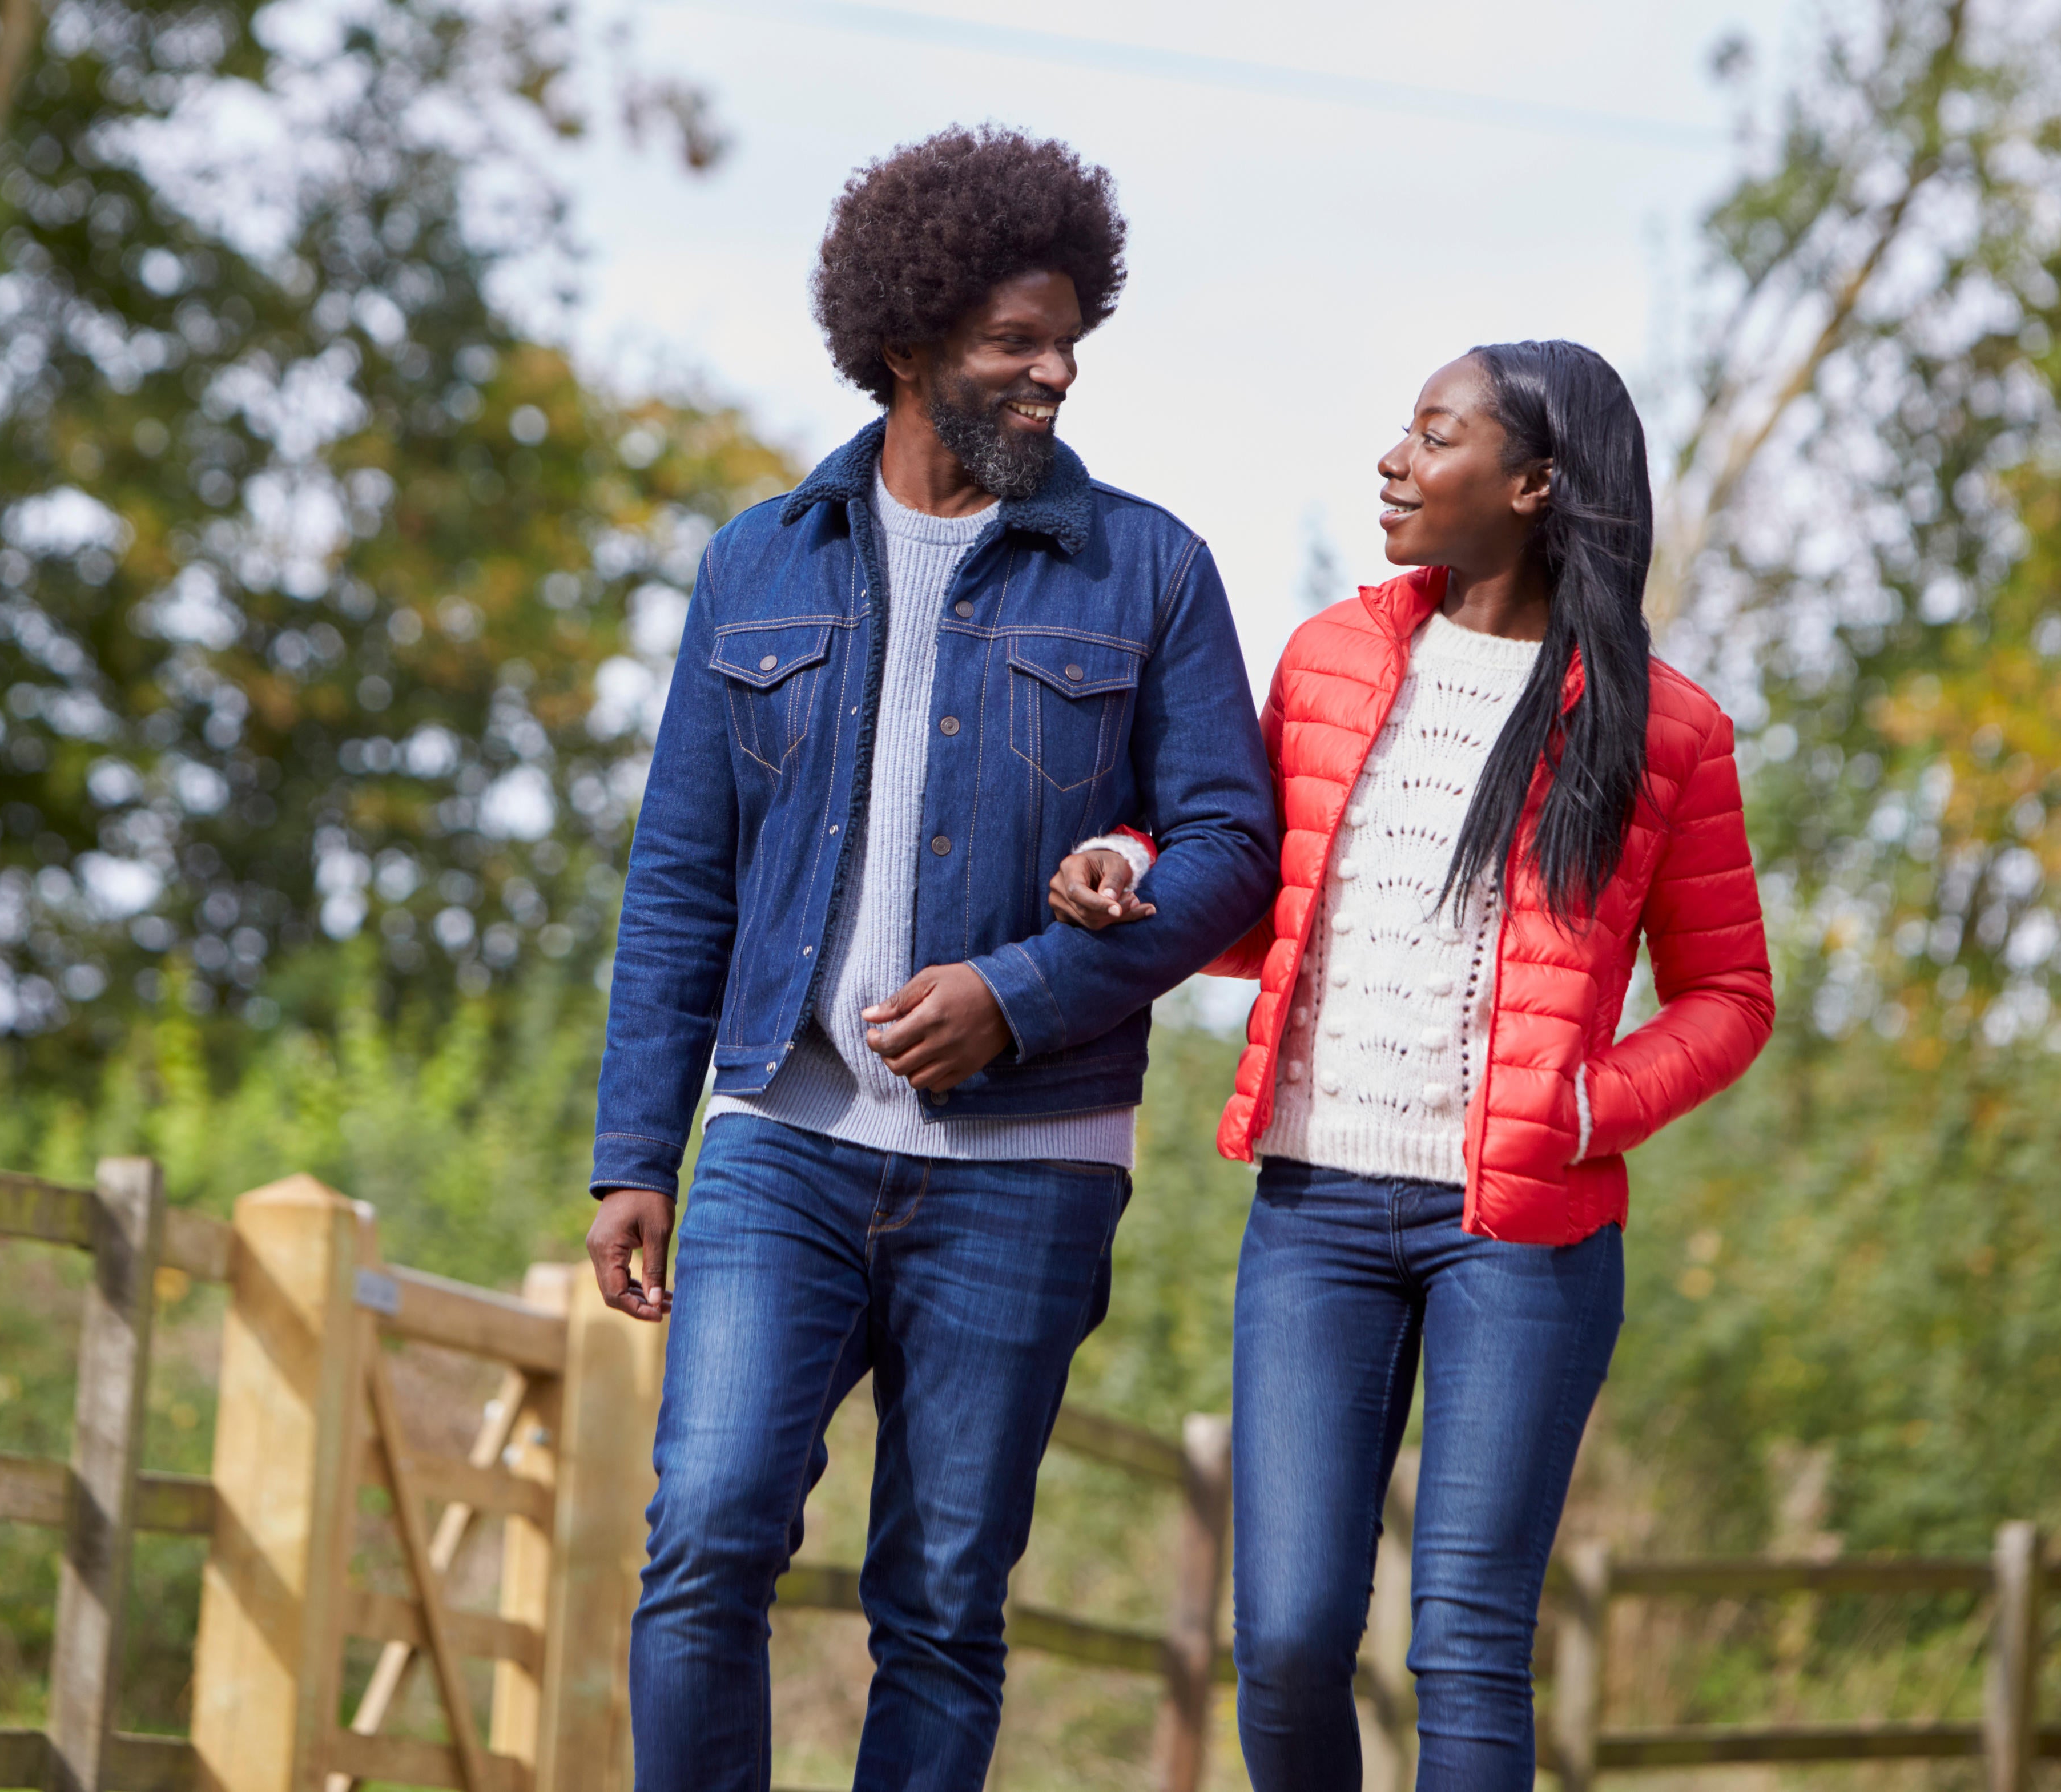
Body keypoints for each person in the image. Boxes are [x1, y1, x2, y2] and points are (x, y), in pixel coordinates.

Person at [586, 127, 1280, 1791]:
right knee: (702, 1539)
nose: (1053, 373)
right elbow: (682, 872)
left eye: (1067, 341)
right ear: (904, 342)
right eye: (1013, 342)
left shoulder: (1150, 569)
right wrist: (632, 1151)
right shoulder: (758, 560)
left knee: (945, 1604)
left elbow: (1230, 853)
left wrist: (1018, 992)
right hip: (780, 1140)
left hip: (1026, 1171)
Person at [1057, 340, 1774, 1788]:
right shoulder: (1328, 658)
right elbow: (1250, 882)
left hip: (1521, 1234)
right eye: (1402, 429)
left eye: (1434, 436)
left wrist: (1586, 1103)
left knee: (1463, 1643)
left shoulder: (1664, 728)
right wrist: (1131, 864)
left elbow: (1729, 995)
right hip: (1314, 1213)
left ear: (1531, 483)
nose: (1392, 457)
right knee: (1290, 1639)